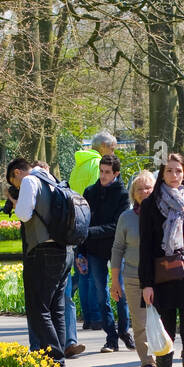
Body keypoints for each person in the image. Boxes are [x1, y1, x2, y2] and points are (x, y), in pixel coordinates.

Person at [138, 153, 184, 367]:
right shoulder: (151, 205)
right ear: (161, 174)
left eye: (178, 171)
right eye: (169, 171)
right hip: (161, 275)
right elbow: (145, 246)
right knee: (165, 335)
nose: (174, 175)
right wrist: (146, 284)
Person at [9, 157, 77, 366]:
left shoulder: (30, 180)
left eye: (14, 183)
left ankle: (54, 354)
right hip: (65, 250)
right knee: (56, 305)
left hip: (44, 249)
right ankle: (57, 356)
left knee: (37, 306)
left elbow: (23, 214)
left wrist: (14, 201)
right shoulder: (53, 180)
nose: (17, 186)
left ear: (18, 173)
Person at [110, 170, 158, 367]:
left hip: (160, 277)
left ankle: (163, 360)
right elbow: (117, 249)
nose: (144, 192)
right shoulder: (126, 218)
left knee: (160, 322)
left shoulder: (164, 213)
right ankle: (148, 364)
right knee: (139, 324)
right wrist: (115, 281)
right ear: (133, 194)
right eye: (139, 189)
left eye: (148, 188)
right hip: (132, 276)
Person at [67, 132, 117, 334]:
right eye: (112, 148)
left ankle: (88, 317)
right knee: (95, 275)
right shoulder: (97, 165)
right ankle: (96, 317)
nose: (112, 153)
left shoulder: (79, 165)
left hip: (75, 221)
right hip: (92, 223)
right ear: (103, 146)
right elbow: (99, 195)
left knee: (83, 270)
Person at [82, 153, 130, 351]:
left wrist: (91, 232)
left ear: (116, 173)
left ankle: (124, 331)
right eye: (101, 171)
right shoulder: (90, 191)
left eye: (107, 172)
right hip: (94, 249)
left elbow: (117, 226)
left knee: (121, 291)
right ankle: (111, 336)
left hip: (117, 247)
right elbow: (83, 222)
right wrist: (81, 251)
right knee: (101, 294)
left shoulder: (123, 194)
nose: (103, 176)